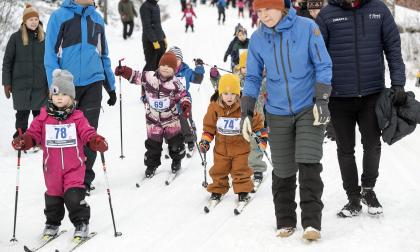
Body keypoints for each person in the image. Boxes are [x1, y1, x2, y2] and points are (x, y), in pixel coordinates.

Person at [241, 0, 332, 240]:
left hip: (308, 107)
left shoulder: (307, 27)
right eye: (259, 11)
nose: (264, 15)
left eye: (268, 9)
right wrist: (246, 111)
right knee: (282, 169)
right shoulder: (258, 39)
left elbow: (323, 64)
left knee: (308, 162)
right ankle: (285, 221)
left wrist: (321, 99)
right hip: (277, 110)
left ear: (281, 7)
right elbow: (251, 76)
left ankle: (312, 223)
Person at [316, 0, 406, 217]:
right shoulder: (327, 15)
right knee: (345, 149)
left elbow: (392, 47)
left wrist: (398, 83)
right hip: (339, 97)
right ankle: (353, 198)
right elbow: (317, 57)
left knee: (373, 145)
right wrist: (319, 94)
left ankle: (368, 189)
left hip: (372, 94)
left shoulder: (379, 9)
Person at [11, 69, 109, 239]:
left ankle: (81, 222)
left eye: (64, 94)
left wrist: (95, 141)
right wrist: (24, 140)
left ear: (71, 97)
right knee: (53, 198)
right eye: (56, 93)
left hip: (74, 167)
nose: (60, 97)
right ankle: (52, 223)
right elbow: (33, 134)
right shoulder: (43, 117)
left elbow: (87, 132)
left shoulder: (77, 117)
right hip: (52, 168)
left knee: (73, 196)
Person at [44, 0, 116, 195]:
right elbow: (49, 52)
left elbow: (104, 55)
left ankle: (84, 179)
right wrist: (55, 83)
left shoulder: (97, 18)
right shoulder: (60, 16)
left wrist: (110, 86)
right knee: (68, 135)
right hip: (67, 85)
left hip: (93, 83)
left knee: (89, 132)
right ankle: (66, 177)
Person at [114, 52, 192, 177]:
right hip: (153, 120)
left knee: (175, 143)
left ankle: (176, 160)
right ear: (159, 65)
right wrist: (124, 71)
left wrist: (185, 105)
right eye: (163, 65)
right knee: (153, 145)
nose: (166, 68)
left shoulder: (176, 83)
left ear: (174, 69)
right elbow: (136, 76)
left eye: (169, 66)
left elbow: (184, 95)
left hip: (171, 120)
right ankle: (152, 165)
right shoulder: (149, 76)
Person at [199, 74, 267, 202]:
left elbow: (257, 122)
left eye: (232, 93)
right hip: (221, 150)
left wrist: (261, 137)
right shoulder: (214, 107)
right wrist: (205, 141)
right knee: (219, 170)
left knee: (241, 170)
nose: (229, 97)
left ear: (238, 93)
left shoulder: (244, 108)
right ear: (220, 93)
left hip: (241, 149)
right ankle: (218, 189)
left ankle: (243, 190)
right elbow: (209, 127)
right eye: (225, 93)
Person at [2, 4, 48, 144]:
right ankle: (21, 137)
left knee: (39, 114)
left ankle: (36, 138)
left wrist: (51, 82)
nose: (33, 22)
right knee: (22, 114)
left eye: (35, 19)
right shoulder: (15, 38)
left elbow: (51, 61)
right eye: (30, 19)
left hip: (40, 84)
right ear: (24, 21)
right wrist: (7, 82)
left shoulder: (44, 38)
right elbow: (7, 62)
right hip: (20, 84)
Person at [234, 51, 267, 186]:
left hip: (257, 118)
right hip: (241, 119)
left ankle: (257, 168)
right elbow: (223, 87)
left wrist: (266, 74)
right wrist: (214, 76)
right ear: (239, 68)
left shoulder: (261, 81)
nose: (247, 70)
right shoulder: (236, 80)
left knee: (256, 143)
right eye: (244, 67)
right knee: (240, 144)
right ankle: (240, 168)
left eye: (250, 66)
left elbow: (268, 85)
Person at [168, 46, 205, 153]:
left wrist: (199, 67)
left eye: (177, 60)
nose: (175, 62)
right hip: (170, 102)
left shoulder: (186, 71)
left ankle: (190, 139)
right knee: (170, 122)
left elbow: (197, 79)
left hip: (184, 101)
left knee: (185, 119)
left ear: (181, 60)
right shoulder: (165, 72)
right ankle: (171, 141)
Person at [140, 0, 167, 71]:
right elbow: (147, 26)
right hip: (150, 41)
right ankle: (145, 81)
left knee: (160, 65)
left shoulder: (156, 6)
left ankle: (158, 82)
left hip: (159, 39)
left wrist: (164, 37)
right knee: (151, 66)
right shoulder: (145, 7)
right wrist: (154, 41)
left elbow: (158, 24)